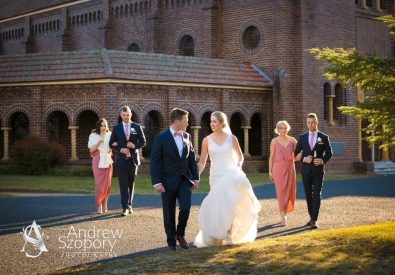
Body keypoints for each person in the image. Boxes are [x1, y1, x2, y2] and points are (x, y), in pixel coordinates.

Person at [194, 111, 261, 248]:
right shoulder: (206, 140)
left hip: (230, 175)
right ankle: (220, 235)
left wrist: (238, 167)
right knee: (218, 206)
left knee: (231, 205)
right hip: (216, 176)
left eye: (215, 121)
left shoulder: (232, 138)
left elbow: (240, 156)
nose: (212, 124)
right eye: (211, 121)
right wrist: (196, 176)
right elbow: (202, 162)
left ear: (222, 123)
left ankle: (230, 233)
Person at [150, 108, 199, 251]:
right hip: (166, 182)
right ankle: (171, 241)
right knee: (169, 212)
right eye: (186, 121)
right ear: (177, 121)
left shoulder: (187, 137)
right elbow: (155, 161)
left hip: (184, 180)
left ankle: (180, 234)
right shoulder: (161, 138)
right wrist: (157, 182)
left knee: (186, 207)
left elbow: (191, 159)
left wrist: (195, 178)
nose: (188, 123)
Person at [295, 113, 333, 229]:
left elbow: (329, 153)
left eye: (312, 122)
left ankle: (314, 220)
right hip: (305, 171)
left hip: (318, 171)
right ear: (307, 123)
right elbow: (295, 153)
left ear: (317, 123)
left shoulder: (324, 137)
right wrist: (303, 158)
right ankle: (312, 217)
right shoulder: (302, 137)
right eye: (308, 122)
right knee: (308, 195)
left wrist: (322, 160)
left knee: (316, 194)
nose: (310, 124)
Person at [110, 106, 146, 216]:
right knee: (123, 184)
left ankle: (130, 205)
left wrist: (134, 145)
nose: (126, 117)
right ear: (121, 115)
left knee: (131, 183)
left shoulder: (137, 127)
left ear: (131, 115)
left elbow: (143, 142)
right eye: (124, 115)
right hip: (121, 161)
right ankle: (124, 207)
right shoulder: (116, 128)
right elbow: (111, 143)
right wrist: (121, 149)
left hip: (133, 160)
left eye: (128, 115)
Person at [269, 120, 300, 226]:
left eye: (285, 128)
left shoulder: (292, 140)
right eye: (281, 128)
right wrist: (270, 171)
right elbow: (272, 156)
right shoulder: (274, 141)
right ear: (277, 129)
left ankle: (284, 213)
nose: (283, 130)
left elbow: (300, 150)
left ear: (288, 128)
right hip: (277, 168)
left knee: (289, 191)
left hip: (290, 167)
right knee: (281, 192)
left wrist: (297, 157)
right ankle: (283, 216)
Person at [88, 118, 113, 214]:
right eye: (101, 125)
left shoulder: (110, 135)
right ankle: (99, 206)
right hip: (97, 160)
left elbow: (112, 147)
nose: (103, 127)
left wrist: (112, 147)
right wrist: (98, 143)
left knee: (107, 185)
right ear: (98, 126)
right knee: (99, 184)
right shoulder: (93, 135)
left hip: (107, 160)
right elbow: (91, 151)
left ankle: (105, 204)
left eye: (105, 125)